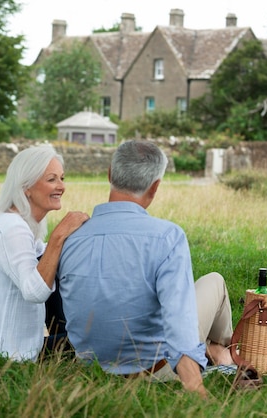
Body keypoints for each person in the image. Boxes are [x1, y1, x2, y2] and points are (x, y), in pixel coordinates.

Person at [57, 140, 235, 398]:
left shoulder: (71, 236)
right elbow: (178, 320)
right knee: (215, 281)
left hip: (91, 367)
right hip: (155, 370)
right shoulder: (168, 237)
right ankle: (222, 351)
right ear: (155, 187)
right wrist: (196, 389)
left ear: (110, 174)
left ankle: (216, 349)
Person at [0, 145, 89, 362]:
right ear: (26, 187)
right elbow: (34, 292)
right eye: (52, 179)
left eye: (62, 178)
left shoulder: (17, 224)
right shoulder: (13, 228)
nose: (61, 186)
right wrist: (59, 236)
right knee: (90, 343)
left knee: (57, 259)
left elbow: (45, 255)